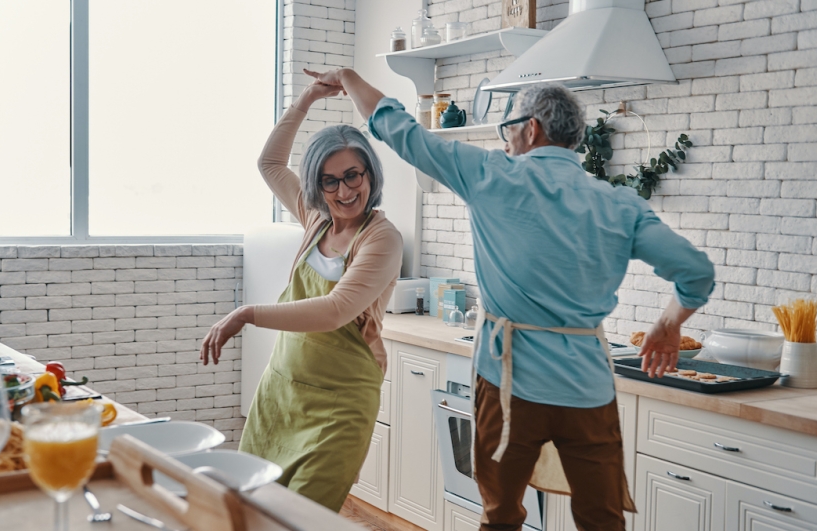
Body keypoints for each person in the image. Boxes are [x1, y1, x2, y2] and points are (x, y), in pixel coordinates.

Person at [305, 68, 714, 530]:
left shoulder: (490, 175)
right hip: (587, 389)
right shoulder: (619, 203)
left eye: (507, 127)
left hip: (507, 384)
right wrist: (669, 324)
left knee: (500, 516)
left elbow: (399, 129)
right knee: (602, 519)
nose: (504, 141)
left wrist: (348, 78)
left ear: (531, 128)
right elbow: (697, 274)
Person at [199, 80, 403, 512]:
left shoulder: (381, 239)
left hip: (340, 405)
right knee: (251, 509)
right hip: (281, 393)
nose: (344, 192)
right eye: (330, 181)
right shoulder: (316, 218)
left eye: (353, 176)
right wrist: (306, 100)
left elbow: (336, 310)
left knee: (299, 518)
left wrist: (248, 314)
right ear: (317, 185)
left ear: (370, 174)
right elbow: (270, 163)